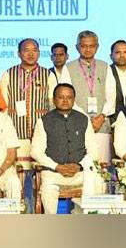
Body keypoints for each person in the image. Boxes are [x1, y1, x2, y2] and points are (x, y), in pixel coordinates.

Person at [0, 38, 57, 210]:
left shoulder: (48, 74)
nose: (31, 53)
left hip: (42, 136)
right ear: (19, 53)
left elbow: (54, 104)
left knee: (41, 178)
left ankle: (39, 213)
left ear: (39, 53)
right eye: (26, 50)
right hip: (17, 134)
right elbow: (4, 105)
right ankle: (21, 211)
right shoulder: (9, 74)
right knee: (20, 178)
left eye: (34, 50)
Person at [31, 83, 104, 214]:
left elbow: (93, 151)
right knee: (47, 190)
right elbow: (36, 151)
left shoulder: (84, 119)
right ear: (53, 100)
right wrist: (57, 167)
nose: (65, 100)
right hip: (53, 174)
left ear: (74, 99)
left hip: (80, 173)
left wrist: (79, 166)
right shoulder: (43, 121)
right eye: (61, 97)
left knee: (98, 182)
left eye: (69, 97)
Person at [67, 30, 114, 161]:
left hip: (101, 124)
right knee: (82, 166)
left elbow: (111, 96)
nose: (87, 49)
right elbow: (67, 99)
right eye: (83, 46)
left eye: (91, 46)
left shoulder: (105, 66)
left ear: (97, 47)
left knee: (103, 167)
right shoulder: (68, 68)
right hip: (78, 124)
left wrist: (101, 117)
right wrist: (87, 120)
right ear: (77, 47)